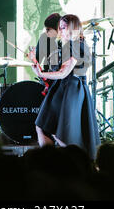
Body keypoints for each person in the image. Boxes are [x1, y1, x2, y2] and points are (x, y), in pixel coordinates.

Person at [31, 14, 100, 160]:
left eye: (64, 28)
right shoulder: (68, 46)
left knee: (60, 132)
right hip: (62, 89)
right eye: (60, 28)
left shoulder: (76, 45)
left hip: (71, 90)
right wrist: (36, 64)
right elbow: (57, 72)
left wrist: (42, 72)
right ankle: (51, 162)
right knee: (43, 126)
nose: (60, 31)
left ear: (73, 28)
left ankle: (76, 163)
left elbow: (63, 73)